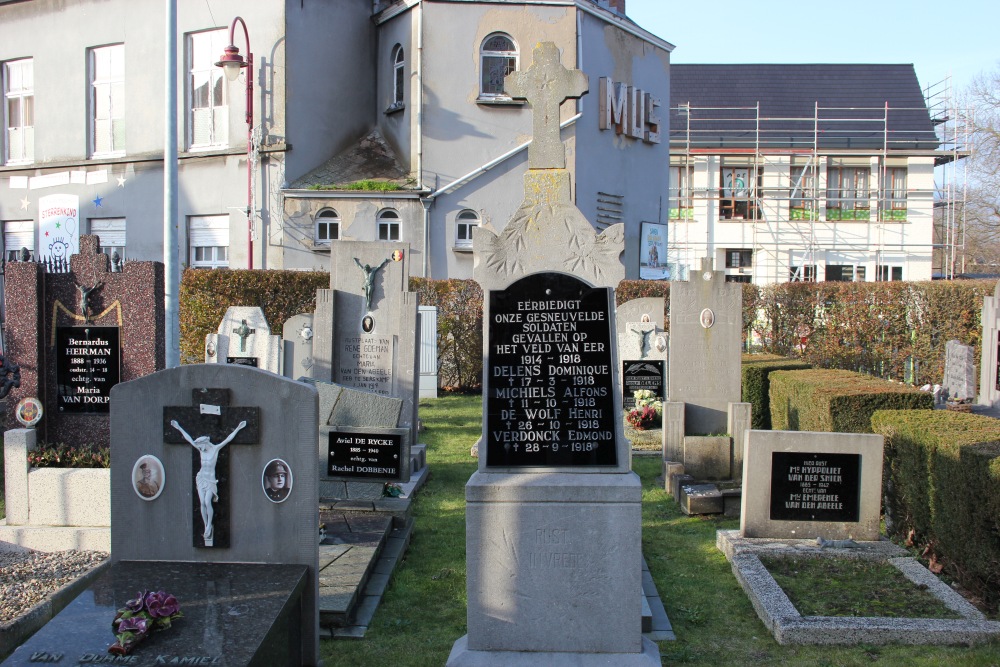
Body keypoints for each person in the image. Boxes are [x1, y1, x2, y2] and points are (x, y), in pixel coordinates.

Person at [170, 419, 247, 546]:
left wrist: (238, 428)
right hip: (201, 478)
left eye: (201, 446)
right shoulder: (201, 450)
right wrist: (178, 427)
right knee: (202, 503)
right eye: (199, 447)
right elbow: (189, 439)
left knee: (207, 501)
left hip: (210, 480)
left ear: (206, 443)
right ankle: (207, 525)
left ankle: (209, 524)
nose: (200, 449)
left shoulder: (215, 449)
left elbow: (228, 439)